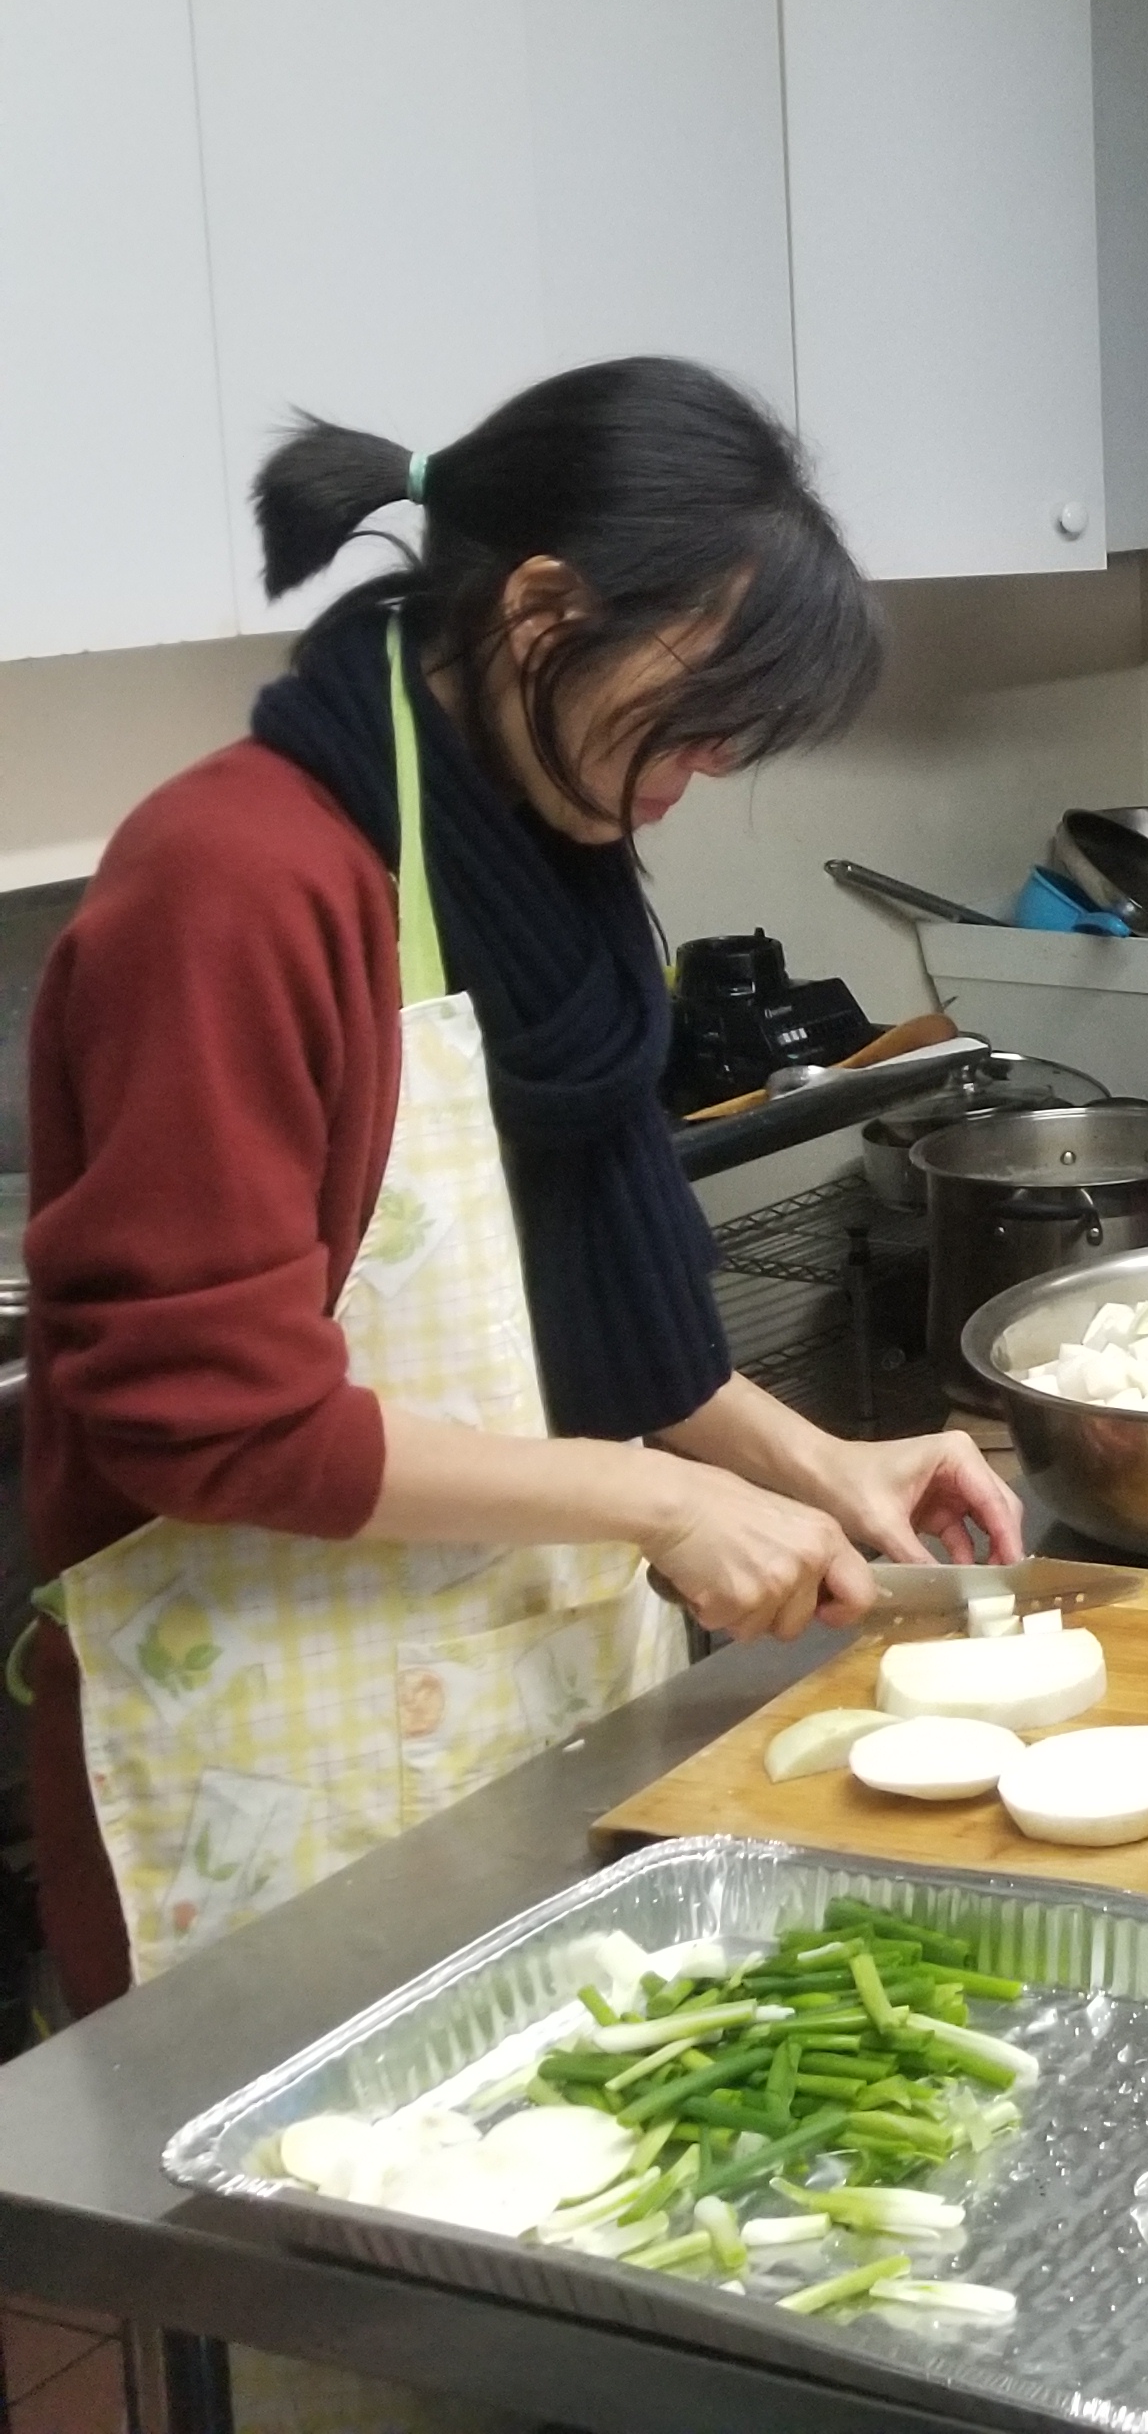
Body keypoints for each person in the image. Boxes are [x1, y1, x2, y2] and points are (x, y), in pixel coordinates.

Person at [20, 361, 1021, 2026]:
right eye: (697, 711)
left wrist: (814, 1462)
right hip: (271, 1778)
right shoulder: (237, 882)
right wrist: (658, 1505)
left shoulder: (533, 862)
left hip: (518, 1700)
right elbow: (207, 1412)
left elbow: (547, 1312)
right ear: (543, 612)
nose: (709, 763)